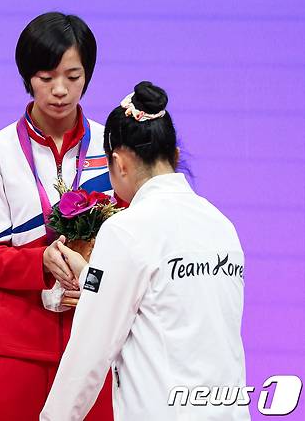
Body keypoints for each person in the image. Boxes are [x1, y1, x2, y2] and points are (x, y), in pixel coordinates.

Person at [41, 81, 250, 420]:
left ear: (119, 162)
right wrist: (90, 275)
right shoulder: (221, 226)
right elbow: (168, 300)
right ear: (175, 155)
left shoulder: (127, 230)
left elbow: (89, 351)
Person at [0, 12, 114, 420]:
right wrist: (41, 263)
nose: (61, 90)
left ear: (88, 75)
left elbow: (136, 244)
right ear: (27, 77)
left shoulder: (114, 146)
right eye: (46, 77)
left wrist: (93, 280)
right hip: (13, 347)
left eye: (73, 75)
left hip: (96, 340)